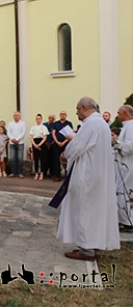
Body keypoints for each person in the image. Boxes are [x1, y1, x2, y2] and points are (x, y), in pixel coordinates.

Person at [57, 96, 119, 261]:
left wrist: (64, 154)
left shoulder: (90, 124)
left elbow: (77, 146)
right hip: (97, 174)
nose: (76, 113)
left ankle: (86, 250)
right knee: (94, 212)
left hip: (87, 175)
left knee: (84, 210)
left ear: (84, 107)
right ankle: (92, 246)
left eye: (77, 110)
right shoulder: (102, 124)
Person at [114, 104, 133, 232]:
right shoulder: (127, 126)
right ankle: (123, 220)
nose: (117, 115)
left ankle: (127, 221)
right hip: (122, 164)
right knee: (121, 190)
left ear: (126, 113)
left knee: (124, 190)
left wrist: (115, 142)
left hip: (128, 164)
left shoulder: (131, 127)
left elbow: (129, 147)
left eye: (119, 113)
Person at [51, 111, 73, 182]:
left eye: (64, 114)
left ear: (66, 115)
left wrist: (63, 142)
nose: (62, 115)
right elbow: (53, 133)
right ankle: (57, 175)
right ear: (60, 115)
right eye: (61, 114)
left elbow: (70, 134)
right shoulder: (56, 123)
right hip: (56, 144)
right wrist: (57, 142)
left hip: (66, 143)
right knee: (56, 160)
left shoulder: (69, 123)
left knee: (67, 159)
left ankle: (67, 175)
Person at [29, 114, 49, 181]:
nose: (38, 120)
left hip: (41, 142)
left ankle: (42, 173)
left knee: (42, 159)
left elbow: (45, 137)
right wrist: (34, 144)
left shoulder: (44, 127)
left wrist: (39, 145)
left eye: (39, 119)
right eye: (37, 119)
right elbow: (31, 136)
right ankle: (36, 173)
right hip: (35, 142)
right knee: (36, 159)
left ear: (41, 119)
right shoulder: (33, 127)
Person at [7, 111, 26, 178]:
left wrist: (17, 139)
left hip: (20, 143)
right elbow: (8, 133)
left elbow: (23, 133)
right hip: (12, 143)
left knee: (20, 158)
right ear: (13, 116)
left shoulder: (22, 124)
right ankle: (13, 172)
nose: (16, 116)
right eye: (15, 115)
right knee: (12, 158)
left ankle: (20, 172)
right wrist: (13, 139)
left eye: (17, 115)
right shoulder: (10, 124)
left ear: (20, 116)